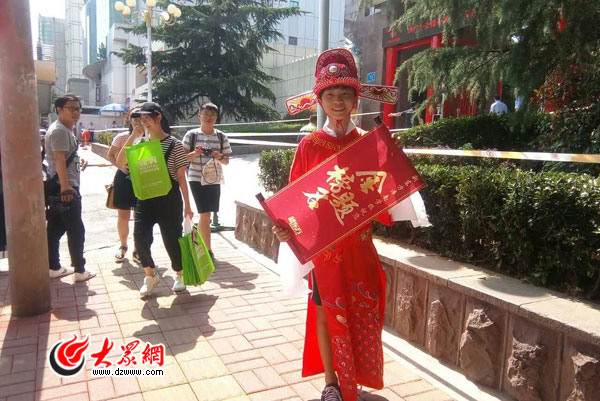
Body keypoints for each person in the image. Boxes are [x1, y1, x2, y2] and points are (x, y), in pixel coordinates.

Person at [272, 48, 430, 401]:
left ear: (356, 100)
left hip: (359, 245)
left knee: (362, 309)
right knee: (325, 312)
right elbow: (295, 201)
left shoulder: (366, 144)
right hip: (325, 250)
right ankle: (332, 383)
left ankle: (353, 377)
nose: (338, 102)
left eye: (345, 94)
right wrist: (285, 229)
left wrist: (392, 156)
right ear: (320, 101)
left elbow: (386, 195)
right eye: (331, 95)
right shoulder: (309, 145)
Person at [116, 102, 193, 297]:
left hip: (169, 199)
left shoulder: (174, 144)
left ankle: (180, 274)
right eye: (141, 119)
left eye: (147, 118)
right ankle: (150, 275)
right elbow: (119, 162)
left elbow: (181, 176)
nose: (143, 122)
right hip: (145, 198)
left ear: (158, 118)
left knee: (172, 239)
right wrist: (134, 135)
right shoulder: (139, 144)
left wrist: (188, 205)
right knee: (140, 237)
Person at [45, 93, 96, 282]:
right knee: (76, 230)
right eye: (71, 108)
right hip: (66, 189)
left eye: (78, 108)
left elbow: (63, 158)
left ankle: (53, 266)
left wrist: (76, 162)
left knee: (55, 229)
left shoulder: (64, 129)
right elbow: (59, 159)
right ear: (59, 109)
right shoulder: (59, 131)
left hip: (61, 187)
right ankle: (80, 270)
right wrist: (66, 187)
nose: (76, 112)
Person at [182, 103, 232, 260]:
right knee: (205, 214)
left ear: (216, 118)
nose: (209, 118)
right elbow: (183, 159)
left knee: (206, 214)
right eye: (206, 114)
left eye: (212, 115)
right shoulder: (191, 135)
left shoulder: (221, 136)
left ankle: (202, 247)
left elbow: (226, 161)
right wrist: (195, 153)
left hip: (214, 178)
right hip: (196, 178)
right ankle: (207, 250)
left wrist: (219, 156)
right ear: (199, 116)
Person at [106, 106, 142, 263]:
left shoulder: (150, 137)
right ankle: (123, 246)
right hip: (123, 178)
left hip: (143, 178)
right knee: (123, 215)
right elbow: (110, 155)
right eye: (134, 117)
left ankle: (138, 249)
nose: (138, 121)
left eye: (141, 117)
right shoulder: (121, 137)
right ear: (129, 119)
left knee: (140, 216)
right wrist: (120, 166)